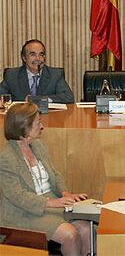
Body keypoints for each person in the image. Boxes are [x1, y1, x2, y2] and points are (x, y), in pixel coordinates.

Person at [0, 103, 91, 255]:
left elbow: (55, 174)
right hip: (23, 213)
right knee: (70, 235)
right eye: (38, 123)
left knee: (87, 229)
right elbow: (17, 196)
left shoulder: (38, 145)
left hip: (50, 203)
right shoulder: (6, 157)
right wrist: (52, 203)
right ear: (24, 128)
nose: (42, 126)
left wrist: (65, 194)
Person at [0, 39, 74, 103]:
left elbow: (68, 97)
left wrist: (42, 99)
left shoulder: (55, 74)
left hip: (49, 117)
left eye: (41, 55)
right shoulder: (12, 75)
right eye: (33, 54)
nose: (38, 59)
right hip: (21, 118)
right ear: (24, 58)